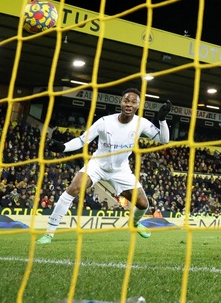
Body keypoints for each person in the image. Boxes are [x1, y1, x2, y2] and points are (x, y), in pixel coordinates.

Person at [38, 88, 171, 244]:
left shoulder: (141, 123)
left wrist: (162, 120)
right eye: (126, 101)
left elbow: (164, 140)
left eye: (133, 102)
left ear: (138, 105)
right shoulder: (104, 122)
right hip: (97, 165)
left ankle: (134, 223)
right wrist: (63, 147)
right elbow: (82, 141)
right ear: (120, 102)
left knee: (143, 204)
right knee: (73, 189)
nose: (129, 104)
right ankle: (49, 233)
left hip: (121, 170)